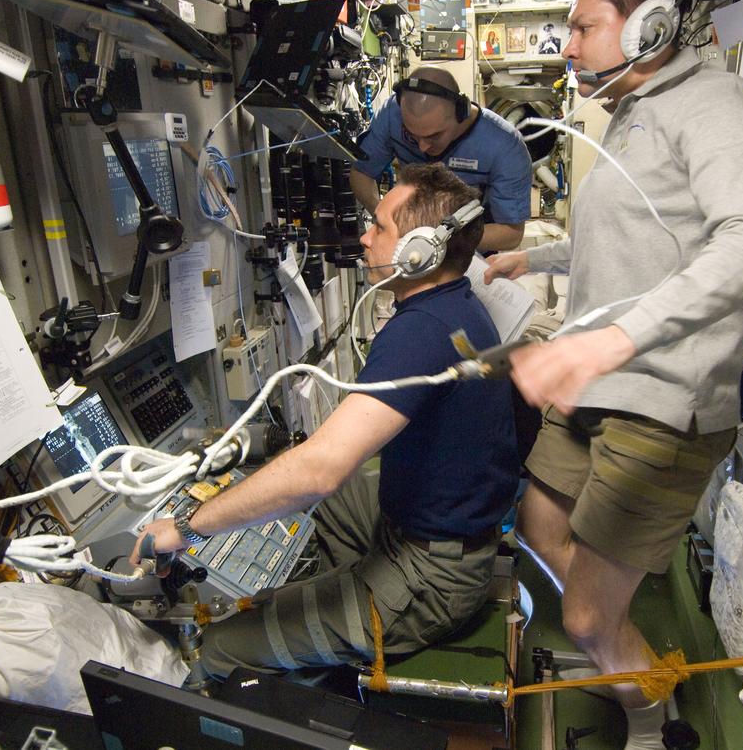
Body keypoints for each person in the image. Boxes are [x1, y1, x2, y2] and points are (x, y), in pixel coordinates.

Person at [484, 0, 743, 749]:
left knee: (587, 614)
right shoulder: (631, 114)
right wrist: (535, 256)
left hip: (660, 399)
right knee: (540, 532)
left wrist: (609, 342)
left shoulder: (717, 108)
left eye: (584, 27)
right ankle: (624, 654)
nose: (572, 44)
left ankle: (653, 715)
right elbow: (645, 238)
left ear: (651, 24)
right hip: (597, 385)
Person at [132, 163, 520, 681]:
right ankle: (339, 601)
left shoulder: (418, 334)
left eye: (379, 227)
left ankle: (342, 619)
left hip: (433, 580)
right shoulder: (456, 307)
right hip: (447, 534)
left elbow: (318, 471)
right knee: (327, 491)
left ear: (421, 249)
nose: (363, 237)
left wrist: (187, 528)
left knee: (219, 651)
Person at [350, 66, 531, 251]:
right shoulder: (392, 115)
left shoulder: (504, 145)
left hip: (466, 250)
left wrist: (439, 239)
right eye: (412, 135)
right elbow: (361, 173)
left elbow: (511, 234)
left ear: (462, 113)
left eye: (433, 136)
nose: (422, 147)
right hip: (407, 243)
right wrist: (384, 218)